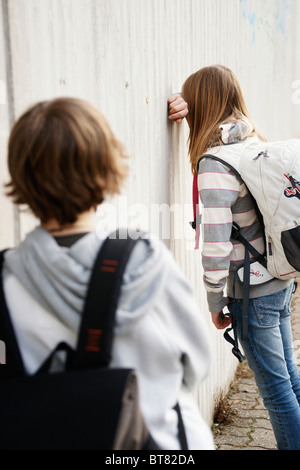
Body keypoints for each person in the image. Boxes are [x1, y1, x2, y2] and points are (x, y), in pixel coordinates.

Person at [2, 97, 215, 450]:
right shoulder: (144, 261)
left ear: (21, 178)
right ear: (104, 171)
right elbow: (195, 364)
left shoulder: (6, 280)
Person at [168, 65, 300, 450]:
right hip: (281, 280)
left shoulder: (214, 164)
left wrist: (213, 301)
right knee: (290, 380)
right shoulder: (253, 141)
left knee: (276, 394)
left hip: (251, 292)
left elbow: (216, 247)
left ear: (201, 106)